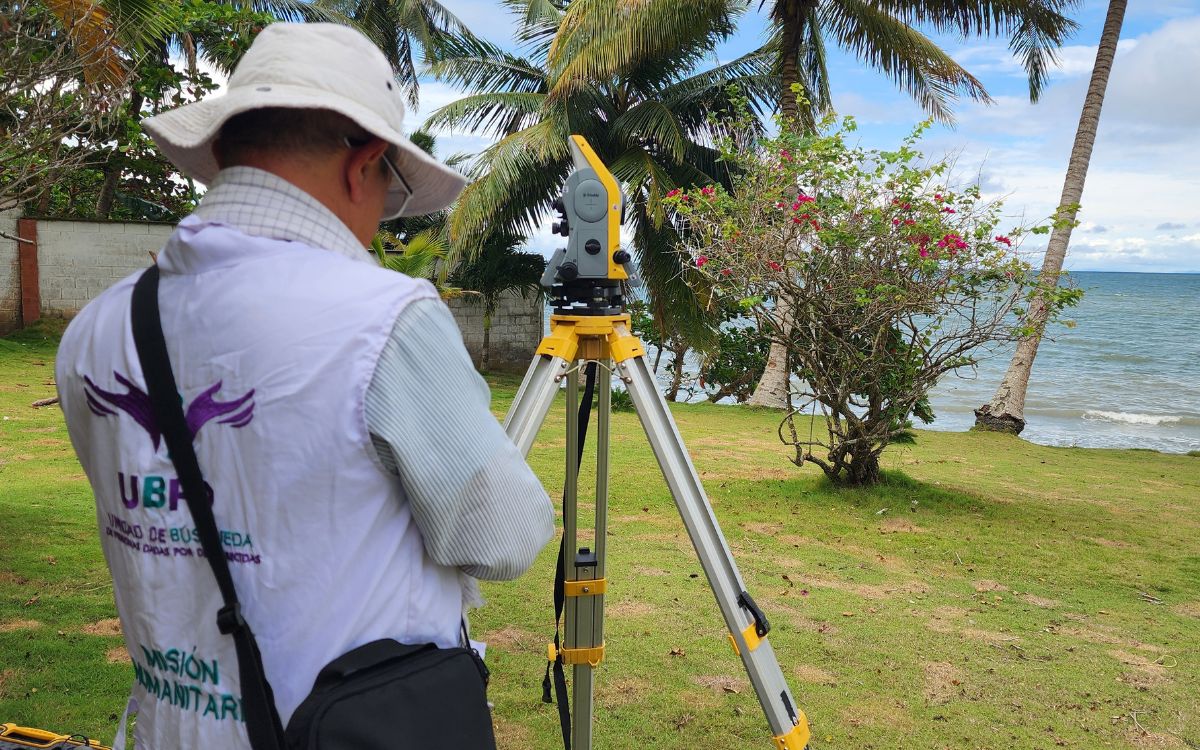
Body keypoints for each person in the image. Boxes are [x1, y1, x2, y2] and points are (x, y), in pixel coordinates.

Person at [55, 22, 554, 749]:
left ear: (223, 152)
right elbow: (504, 537)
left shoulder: (97, 331)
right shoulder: (383, 320)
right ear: (365, 167)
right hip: (352, 732)